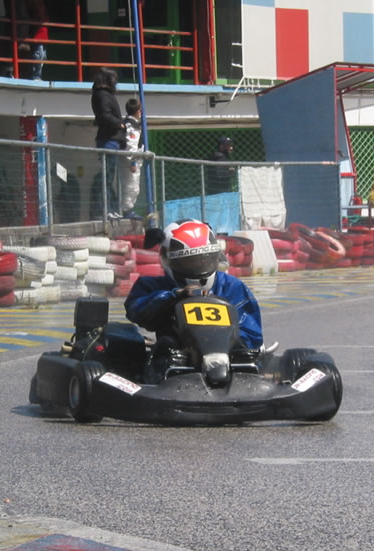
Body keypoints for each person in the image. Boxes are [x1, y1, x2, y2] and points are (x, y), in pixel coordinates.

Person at [125, 219, 263, 352]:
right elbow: (135, 310)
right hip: (175, 357)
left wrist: (233, 345)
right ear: (166, 259)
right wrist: (171, 298)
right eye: (190, 262)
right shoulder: (155, 286)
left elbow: (252, 332)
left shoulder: (231, 287)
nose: (198, 266)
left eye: (204, 260)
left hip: (229, 357)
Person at [91, 67, 126, 217]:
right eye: (113, 79)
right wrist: (119, 124)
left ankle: (110, 209)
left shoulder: (103, 95)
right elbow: (104, 115)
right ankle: (105, 210)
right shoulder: (103, 95)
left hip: (111, 139)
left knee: (109, 178)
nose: (115, 82)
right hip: (109, 140)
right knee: (107, 178)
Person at [118, 98, 143, 219]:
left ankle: (128, 209)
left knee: (131, 186)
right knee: (131, 186)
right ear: (138, 111)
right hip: (130, 161)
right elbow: (131, 146)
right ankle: (128, 211)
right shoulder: (132, 126)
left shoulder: (129, 123)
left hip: (131, 159)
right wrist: (133, 162)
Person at [16, 0, 49, 80]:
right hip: (38, 33)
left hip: (40, 33)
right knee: (39, 55)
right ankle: (36, 76)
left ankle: (36, 75)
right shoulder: (35, 4)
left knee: (42, 56)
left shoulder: (36, 4)